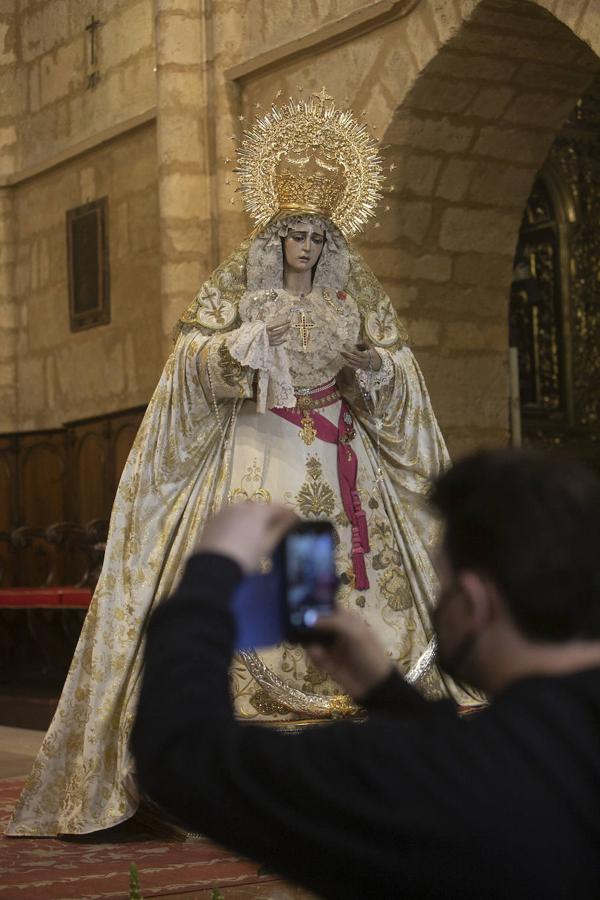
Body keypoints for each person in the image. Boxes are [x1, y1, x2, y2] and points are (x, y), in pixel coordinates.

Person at [7, 90, 475, 838]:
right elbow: (191, 361)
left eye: (317, 237)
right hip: (264, 446)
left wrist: (372, 368)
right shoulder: (239, 290)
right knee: (272, 558)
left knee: (350, 570)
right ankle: (258, 718)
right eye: (295, 235)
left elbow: (397, 372)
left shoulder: (354, 298)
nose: (306, 248)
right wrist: (237, 348)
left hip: (341, 452)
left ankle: (357, 704)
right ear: (275, 237)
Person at [132, 449, 600, 899]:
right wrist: (386, 693)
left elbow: (180, 756)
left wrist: (213, 566)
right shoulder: (528, 750)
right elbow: (495, 760)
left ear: (474, 603)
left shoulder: (436, 781)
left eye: (444, 588)